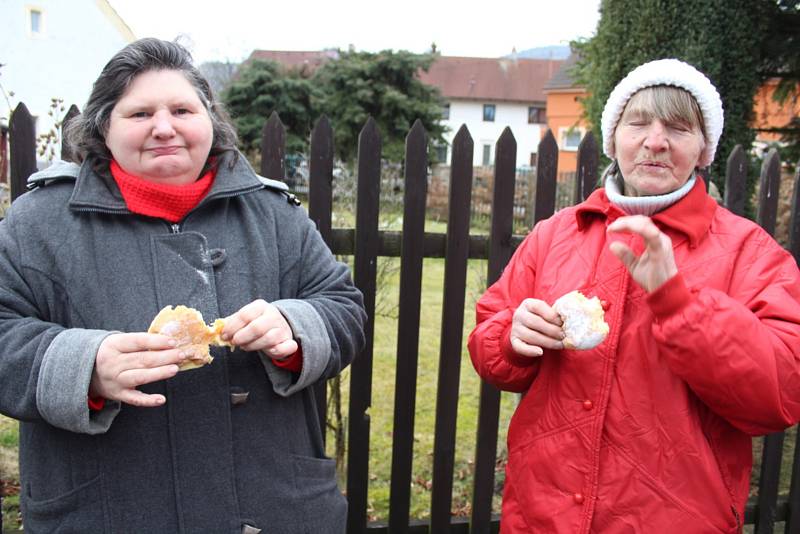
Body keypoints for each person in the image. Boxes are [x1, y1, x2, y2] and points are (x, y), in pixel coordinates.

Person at [0, 38, 365, 533]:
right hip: (106, 513)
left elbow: (342, 307)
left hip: (277, 506)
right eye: (140, 113)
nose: (164, 127)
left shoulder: (275, 214)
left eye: (181, 109)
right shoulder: (37, 223)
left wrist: (294, 328)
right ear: (103, 127)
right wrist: (83, 368)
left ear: (209, 121)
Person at [468, 58, 800, 533]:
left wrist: (679, 305)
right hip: (542, 515)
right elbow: (488, 343)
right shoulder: (555, 234)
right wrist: (508, 336)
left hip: (676, 519)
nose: (655, 141)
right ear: (614, 138)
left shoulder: (751, 253)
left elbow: (780, 395)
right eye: (638, 122)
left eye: (679, 128)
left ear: (703, 148)